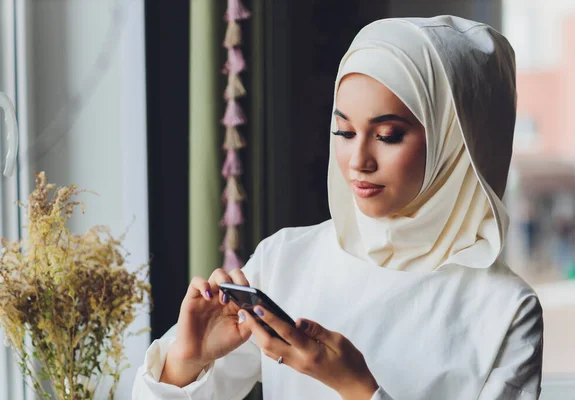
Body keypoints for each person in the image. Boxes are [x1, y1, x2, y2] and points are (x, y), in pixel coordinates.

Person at [133, 16, 543, 400]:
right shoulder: (285, 260)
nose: (357, 160)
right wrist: (186, 361)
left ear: (455, 144)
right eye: (344, 131)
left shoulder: (506, 309)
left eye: (388, 135)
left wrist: (358, 388)